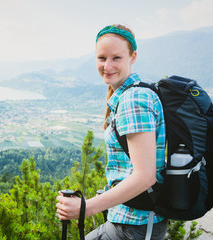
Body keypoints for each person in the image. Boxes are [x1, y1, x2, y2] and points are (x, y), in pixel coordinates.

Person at [56, 24, 168, 239]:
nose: (107, 65)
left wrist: (85, 208)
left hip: (136, 225)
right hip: (127, 221)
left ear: (132, 57)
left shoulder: (133, 99)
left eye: (116, 58)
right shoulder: (130, 95)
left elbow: (145, 177)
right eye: (102, 58)